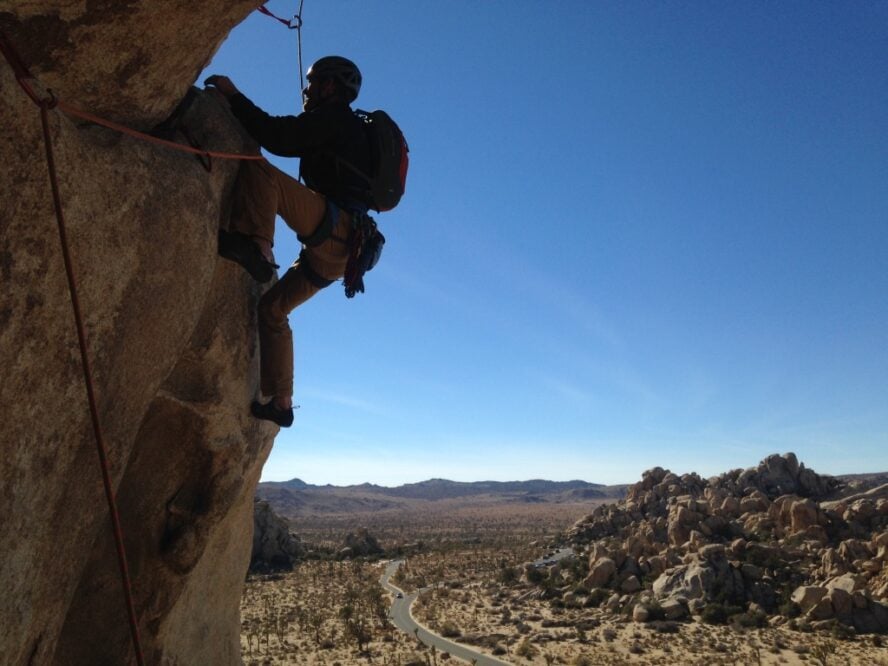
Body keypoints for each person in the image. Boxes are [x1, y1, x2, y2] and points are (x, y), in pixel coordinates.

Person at [205, 56, 372, 428]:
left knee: (258, 169)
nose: (308, 89)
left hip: (335, 228)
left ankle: (256, 245)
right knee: (273, 310)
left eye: (314, 83)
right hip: (340, 253)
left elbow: (276, 136)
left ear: (330, 86)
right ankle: (281, 402)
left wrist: (233, 95)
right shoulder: (342, 126)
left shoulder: (336, 119)